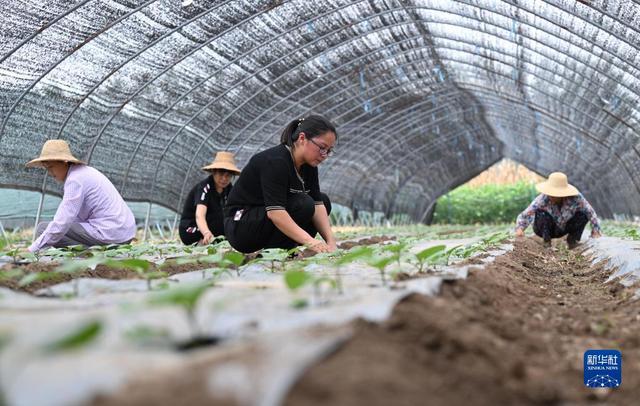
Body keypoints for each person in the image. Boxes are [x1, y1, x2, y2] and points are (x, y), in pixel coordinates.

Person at [224, 115, 337, 254]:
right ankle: (275, 254)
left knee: (323, 201)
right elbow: (275, 213)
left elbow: (319, 205)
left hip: (261, 218)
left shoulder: (309, 166)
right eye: (322, 147)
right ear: (302, 138)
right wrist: (311, 242)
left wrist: (331, 242)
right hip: (240, 225)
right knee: (303, 203)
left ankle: (284, 252)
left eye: (329, 151)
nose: (324, 155)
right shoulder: (276, 161)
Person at [26, 139, 136, 252]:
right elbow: (73, 218)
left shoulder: (75, 180)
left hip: (110, 232)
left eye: (51, 167)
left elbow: (62, 221)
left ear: (64, 161)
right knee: (53, 231)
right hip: (123, 234)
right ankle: (93, 252)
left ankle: (92, 253)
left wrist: (31, 250)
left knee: (43, 229)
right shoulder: (83, 173)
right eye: (46, 169)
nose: (50, 173)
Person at [515, 172, 602, 249]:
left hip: (563, 228)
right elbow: (527, 213)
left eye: (554, 194)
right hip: (545, 230)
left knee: (583, 215)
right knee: (542, 213)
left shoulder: (576, 198)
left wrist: (596, 230)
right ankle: (546, 243)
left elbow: (590, 211)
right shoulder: (543, 199)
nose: (551, 196)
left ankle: (572, 241)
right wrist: (520, 228)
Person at [179, 152, 241, 245]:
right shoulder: (205, 187)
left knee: (229, 221)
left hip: (213, 228)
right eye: (221, 174)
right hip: (190, 229)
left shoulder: (229, 190)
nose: (224, 179)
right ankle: (203, 242)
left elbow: (236, 210)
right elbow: (199, 215)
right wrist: (206, 233)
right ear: (214, 172)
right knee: (218, 222)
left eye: (228, 175)